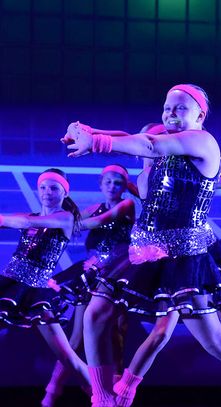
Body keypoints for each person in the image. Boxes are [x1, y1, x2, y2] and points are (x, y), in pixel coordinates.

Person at [62, 83, 221, 407]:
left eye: (180, 108)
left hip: (184, 256)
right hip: (145, 248)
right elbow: (136, 137)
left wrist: (95, 142)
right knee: (96, 313)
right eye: (167, 107)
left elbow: (149, 143)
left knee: (217, 342)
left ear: (200, 115)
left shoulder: (202, 141)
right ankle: (104, 399)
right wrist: (86, 130)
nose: (170, 114)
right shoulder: (168, 142)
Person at [41, 165, 136, 407]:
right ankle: (52, 391)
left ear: (124, 187)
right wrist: (54, 215)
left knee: (117, 333)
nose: (112, 186)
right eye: (108, 182)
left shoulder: (126, 205)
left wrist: (66, 222)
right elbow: (75, 219)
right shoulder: (94, 207)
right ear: (100, 184)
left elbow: (98, 222)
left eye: (117, 183)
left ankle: (113, 392)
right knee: (76, 338)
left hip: (118, 275)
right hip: (92, 275)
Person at [0, 169, 90, 393]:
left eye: (53, 188)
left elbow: (24, 222)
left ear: (65, 193)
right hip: (11, 286)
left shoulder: (65, 218)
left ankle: (103, 397)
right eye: (42, 187)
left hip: (36, 294)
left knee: (69, 359)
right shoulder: (28, 217)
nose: (47, 192)